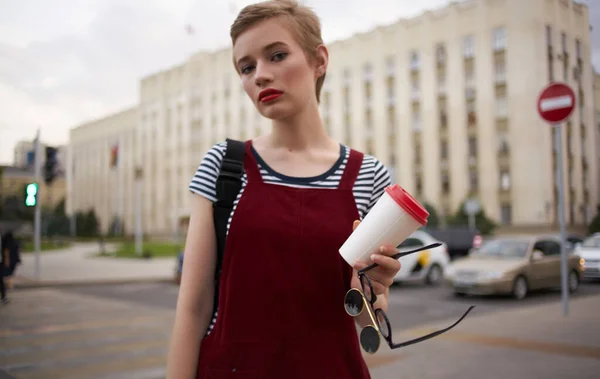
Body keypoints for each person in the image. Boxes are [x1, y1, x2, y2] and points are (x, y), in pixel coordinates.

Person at [166, 1, 401, 378]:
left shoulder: (369, 176)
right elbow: (192, 308)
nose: (260, 75)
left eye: (276, 55)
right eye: (246, 67)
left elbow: (366, 322)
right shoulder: (225, 165)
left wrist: (373, 289)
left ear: (319, 60)